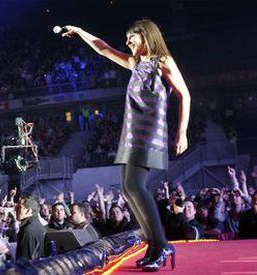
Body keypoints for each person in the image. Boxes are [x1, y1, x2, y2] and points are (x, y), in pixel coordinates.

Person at [63, 19, 191, 272]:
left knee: (135, 185)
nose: (128, 41)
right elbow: (103, 48)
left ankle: (162, 244)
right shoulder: (135, 63)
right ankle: (154, 246)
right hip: (131, 134)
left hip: (150, 133)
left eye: (132, 36)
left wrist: (182, 133)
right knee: (127, 188)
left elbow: (184, 95)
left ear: (146, 36)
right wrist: (79, 31)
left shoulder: (162, 61)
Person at [15, 195, 46, 260]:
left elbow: (24, 261)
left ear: (28, 211)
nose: (15, 209)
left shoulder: (27, 230)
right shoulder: (37, 225)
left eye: (19, 207)